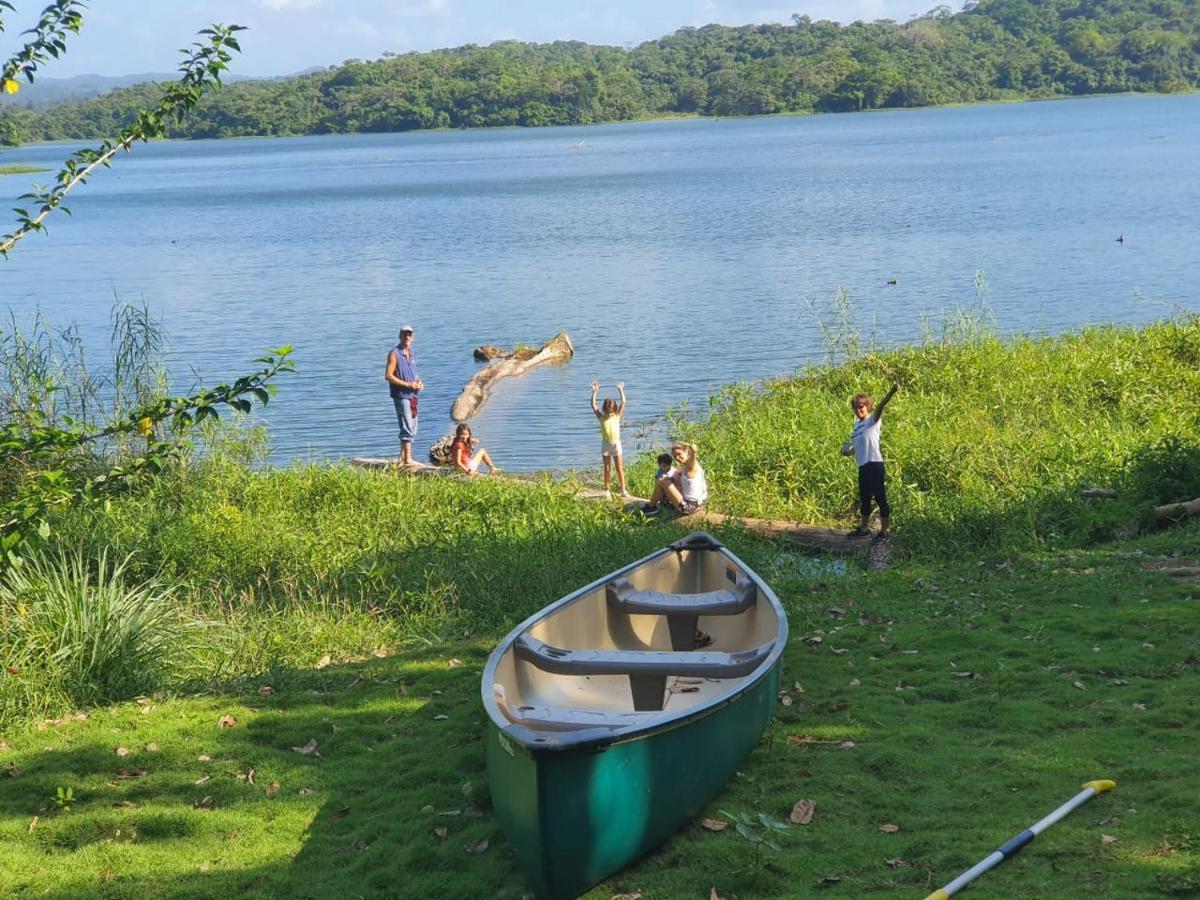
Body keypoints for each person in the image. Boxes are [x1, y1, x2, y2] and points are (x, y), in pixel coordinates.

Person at [841, 382, 899, 541]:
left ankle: (884, 532)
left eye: (861, 407)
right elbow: (857, 448)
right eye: (856, 408)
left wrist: (891, 392)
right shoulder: (857, 427)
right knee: (865, 500)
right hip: (863, 467)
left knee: (881, 499)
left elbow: (881, 405)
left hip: (874, 465)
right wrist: (848, 452)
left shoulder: (872, 421)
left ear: (868, 408)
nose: (859, 410)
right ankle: (863, 529)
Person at [385, 326, 423, 467]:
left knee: (412, 426)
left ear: (412, 338)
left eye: (409, 335)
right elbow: (388, 376)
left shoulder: (410, 353)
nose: (407, 337)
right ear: (399, 336)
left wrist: (419, 382)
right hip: (401, 396)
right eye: (404, 334)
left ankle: (402, 457)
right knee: (407, 426)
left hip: (412, 395)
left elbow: (414, 374)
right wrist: (408, 385)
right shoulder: (394, 354)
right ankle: (408, 460)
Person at [642, 441, 707, 515]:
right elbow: (678, 472)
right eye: (675, 456)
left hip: (690, 507)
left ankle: (651, 506)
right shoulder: (685, 467)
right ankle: (662, 503)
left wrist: (694, 452)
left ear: (686, 451)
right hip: (698, 503)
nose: (677, 458)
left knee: (662, 481)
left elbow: (693, 459)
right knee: (669, 478)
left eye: (679, 454)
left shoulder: (691, 466)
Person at [591, 380, 629, 498]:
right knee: (607, 468)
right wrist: (595, 392)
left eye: (611, 410)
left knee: (619, 469)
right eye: (608, 411)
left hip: (616, 444)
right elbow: (593, 405)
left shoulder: (617, 416)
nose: (609, 413)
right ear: (604, 409)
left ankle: (623, 490)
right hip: (606, 444)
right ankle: (607, 490)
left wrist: (620, 390)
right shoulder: (601, 417)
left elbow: (624, 402)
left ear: (614, 409)